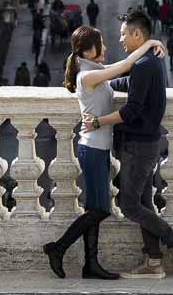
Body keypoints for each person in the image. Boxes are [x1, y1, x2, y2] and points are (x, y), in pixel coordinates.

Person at [44, 26, 166, 280]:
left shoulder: (93, 71)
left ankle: (91, 265)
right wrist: (150, 41)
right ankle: (58, 248)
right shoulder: (86, 76)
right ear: (88, 50)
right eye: (101, 43)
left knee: (94, 208)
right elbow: (123, 66)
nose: (106, 47)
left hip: (98, 149)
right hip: (91, 149)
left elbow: (123, 74)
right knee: (100, 210)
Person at [81, 9, 173, 278]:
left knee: (129, 204)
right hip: (145, 143)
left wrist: (98, 121)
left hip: (139, 145)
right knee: (144, 202)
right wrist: (104, 84)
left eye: (124, 34)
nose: (120, 40)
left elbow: (131, 110)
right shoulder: (148, 62)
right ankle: (153, 262)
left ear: (137, 34)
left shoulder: (145, 64)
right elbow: (129, 83)